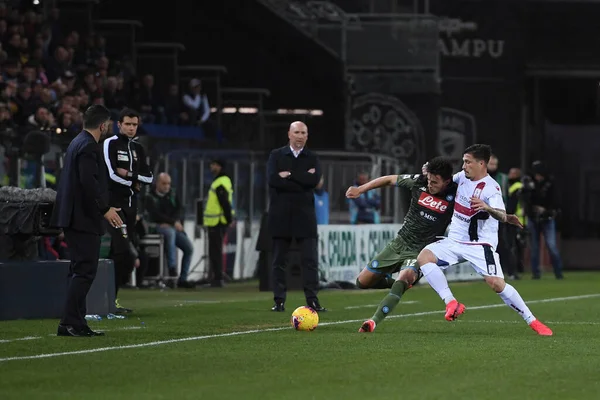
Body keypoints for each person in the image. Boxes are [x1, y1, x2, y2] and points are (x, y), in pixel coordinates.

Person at [416, 144, 553, 336]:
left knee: (496, 284)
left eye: (467, 162)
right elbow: (443, 184)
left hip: (480, 245)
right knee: (424, 257)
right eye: (464, 162)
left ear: (481, 163)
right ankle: (452, 303)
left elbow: (502, 215)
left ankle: (533, 321)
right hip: (455, 240)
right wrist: (430, 174)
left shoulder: (492, 188)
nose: (464, 166)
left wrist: (487, 207)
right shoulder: (461, 177)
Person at [346, 157, 457, 332]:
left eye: (435, 182)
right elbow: (390, 179)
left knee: (404, 277)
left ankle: (373, 321)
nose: (430, 185)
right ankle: (398, 283)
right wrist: (361, 189)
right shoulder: (418, 182)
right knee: (362, 282)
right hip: (399, 243)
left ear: (447, 181)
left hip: (422, 252)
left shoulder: (455, 195)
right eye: (429, 180)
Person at [50, 104, 122, 337]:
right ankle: (69, 322)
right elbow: (88, 182)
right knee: (84, 271)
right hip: (83, 219)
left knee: (78, 270)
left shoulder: (76, 142)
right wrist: (105, 209)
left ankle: (77, 322)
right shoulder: (89, 147)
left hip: (73, 216)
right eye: (108, 125)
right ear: (103, 125)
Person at [267, 121, 325, 312]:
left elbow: (314, 181)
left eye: (303, 132)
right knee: (279, 261)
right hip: (281, 215)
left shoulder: (313, 157)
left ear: (307, 136)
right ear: (289, 134)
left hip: (305, 216)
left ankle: (312, 300)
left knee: (309, 261)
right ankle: (279, 301)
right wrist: (302, 178)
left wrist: (289, 175)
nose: (300, 136)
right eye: (297, 132)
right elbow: (273, 180)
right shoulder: (276, 155)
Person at [102, 108, 153, 312]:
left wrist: (129, 175)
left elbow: (149, 177)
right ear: (119, 124)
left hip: (132, 209)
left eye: (134, 124)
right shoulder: (110, 143)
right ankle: (104, 300)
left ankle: (110, 301)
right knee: (124, 253)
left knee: (122, 255)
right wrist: (134, 180)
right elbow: (111, 174)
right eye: (128, 124)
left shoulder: (139, 149)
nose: (131, 128)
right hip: (114, 207)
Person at [145, 172, 195, 287]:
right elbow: (155, 215)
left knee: (189, 248)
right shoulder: (149, 196)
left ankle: (183, 279)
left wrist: (175, 222)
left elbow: (180, 209)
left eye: (168, 184)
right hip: (156, 227)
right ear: (157, 183)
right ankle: (172, 268)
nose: (167, 186)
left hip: (172, 226)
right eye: (164, 183)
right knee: (170, 233)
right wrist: (172, 222)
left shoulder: (172, 194)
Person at [523, 160, 564, 280]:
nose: (537, 176)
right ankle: (535, 273)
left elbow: (556, 200)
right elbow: (525, 199)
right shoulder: (529, 183)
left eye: (539, 174)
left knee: (551, 245)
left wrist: (545, 210)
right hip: (533, 218)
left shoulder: (550, 183)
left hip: (547, 218)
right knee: (534, 248)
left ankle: (558, 272)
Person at [203, 159, 234, 287]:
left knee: (215, 251)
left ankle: (217, 279)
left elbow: (224, 202)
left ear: (220, 167)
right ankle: (216, 277)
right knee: (215, 251)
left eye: (214, 164)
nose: (212, 166)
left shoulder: (220, 182)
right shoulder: (221, 181)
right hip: (217, 221)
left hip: (217, 221)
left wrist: (228, 219)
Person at [506, 168, 526, 276]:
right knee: (518, 246)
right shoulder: (519, 186)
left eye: (512, 173)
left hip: (515, 220)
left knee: (513, 245)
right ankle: (518, 269)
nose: (509, 175)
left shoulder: (516, 187)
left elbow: (512, 205)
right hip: (519, 219)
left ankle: (514, 270)